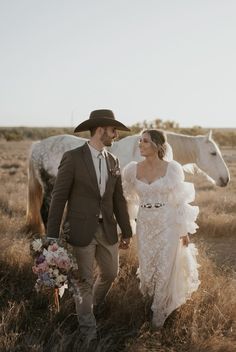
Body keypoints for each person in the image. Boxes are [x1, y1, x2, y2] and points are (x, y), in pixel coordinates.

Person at [46, 109, 133, 345]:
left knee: (110, 273)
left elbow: (118, 199)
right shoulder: (73, 157)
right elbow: (59, 197)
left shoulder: (113, 160)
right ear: (100, 129)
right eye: (113, 130)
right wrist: (51, 236)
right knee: (83, 282)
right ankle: (88, 332)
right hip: (80, 231)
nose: (115, 135)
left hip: (108, 231)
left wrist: (126, 230)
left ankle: (89, 308)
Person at [122, 129, 200, 328]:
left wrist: (183, 231)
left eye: (145, 141)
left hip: (168, 224)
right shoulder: (132, 170)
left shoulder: (172, 169)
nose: (140, 144)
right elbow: (127, 199)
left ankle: (158, 320)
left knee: (165, 269)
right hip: (145, 225)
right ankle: (148, 306)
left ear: (157, 145)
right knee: (147, 272)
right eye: (140, 141)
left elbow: (180, 202)